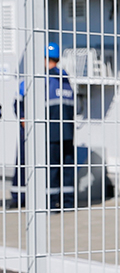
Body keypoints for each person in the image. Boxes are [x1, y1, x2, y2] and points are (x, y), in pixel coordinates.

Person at [8, 43, 76, 209]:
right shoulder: (66, 79)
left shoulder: (41, 78)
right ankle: (68, 203)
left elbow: (20, 99)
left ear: (45, 59)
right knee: (66, 168)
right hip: (67, 133)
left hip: (49, 133)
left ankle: (49, 204)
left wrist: (23, 118)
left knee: (50, 168)